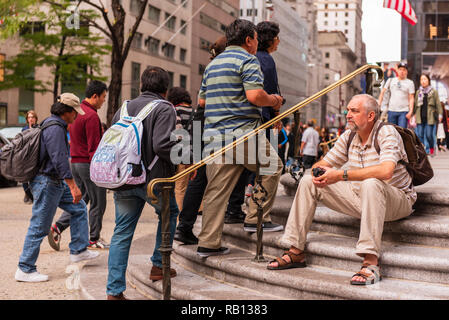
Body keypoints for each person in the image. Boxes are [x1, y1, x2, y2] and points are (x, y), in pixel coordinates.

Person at [267, 94, 416, 286]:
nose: (348, 115)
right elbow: (321, 165)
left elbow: (386, 171)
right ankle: (296, 251)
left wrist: (340, 175)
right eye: (348, 110)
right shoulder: (348, 136)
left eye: (354, 111)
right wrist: (320, 171)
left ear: (371, 116)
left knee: (372, 182)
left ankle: (370, 262)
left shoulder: (386, 132)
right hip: (360, 198)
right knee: (307, 181)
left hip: (396, 200)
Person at [196, 19, 284, 258]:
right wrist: (274, 100)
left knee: (216, 189)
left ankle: (208, 243)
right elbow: (255, 95)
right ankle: (256, 218)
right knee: (273, 166)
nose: (256, 43)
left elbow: (202, 102)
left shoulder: (213, 65)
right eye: (255, 39)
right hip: (243, 132)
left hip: (214, 135)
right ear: (248, 40)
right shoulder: (248, 60)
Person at [106, 66, 179, 300]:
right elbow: (162, 145)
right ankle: (159, 265)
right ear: (165, 90)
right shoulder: (164, 108)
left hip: (125, 179)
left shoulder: (124, 107)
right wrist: (187, 156)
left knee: (122, 232)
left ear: (141, 86)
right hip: (154, 181)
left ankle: (114, 291)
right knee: (170, 214)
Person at [15, 93, 99, 283]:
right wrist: (73, 186)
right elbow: (59, 159)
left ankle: (78, 250)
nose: (76, 116)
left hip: (52, 181)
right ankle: (25, 268)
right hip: (47, 182)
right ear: (66, 112)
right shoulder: (55, 128)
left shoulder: (53, 124)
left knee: (78, 209)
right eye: (74, 112)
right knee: (39, 226)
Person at [48, 81, 109, 251]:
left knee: (81, 200)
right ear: (95, 96)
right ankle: (93, 238)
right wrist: (101, 170)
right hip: (88, 163)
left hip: (75, 162)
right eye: (104, 97)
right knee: (98, 201)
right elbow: (94, 147)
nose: (104, 101)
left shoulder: (76, 113)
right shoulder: (91, 116)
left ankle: (58, 227)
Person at [167, 87, 193, 212]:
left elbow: (177, 135)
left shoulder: (174, 111)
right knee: (191, 187)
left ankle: (177, 218)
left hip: (179, 155)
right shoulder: (195, 112)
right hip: (193, 156)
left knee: (179, 188)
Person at [378, 63, 414, 128]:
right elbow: (383, 92)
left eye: (404, 70)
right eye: (400, 69)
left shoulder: (410, 83)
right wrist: (379, 105)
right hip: (391, 110)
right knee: (391, 131)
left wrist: (410, 111)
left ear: (406, 72)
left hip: (404, 111)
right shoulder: (391, 80)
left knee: (402, 132)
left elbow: (411, 98)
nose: (402, 71)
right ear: (397, 70)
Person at [413, 74, 442, 156]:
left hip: (430, 117)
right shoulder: (418, 92)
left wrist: (440, 115)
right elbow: (415, 104)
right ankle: (425, 150)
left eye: (425, 79)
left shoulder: (433, 92)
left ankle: (431, 147)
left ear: (428, 80)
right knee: (420, 135)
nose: (423, 81)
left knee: (429, 135)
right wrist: (413, 114)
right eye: (421, 79)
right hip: (420, 117)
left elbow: (438, 104)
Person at [22, 110, 38, 204]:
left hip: (35, 157)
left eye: (32, 117)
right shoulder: (24, 130)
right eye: (29, 117)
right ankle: (27, 193)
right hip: (25, 156)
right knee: (24, 179)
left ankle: (33, 196)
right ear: (27, 119)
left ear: (36, 119)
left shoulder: (39, 128)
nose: (31, 119)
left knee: (34, 178)